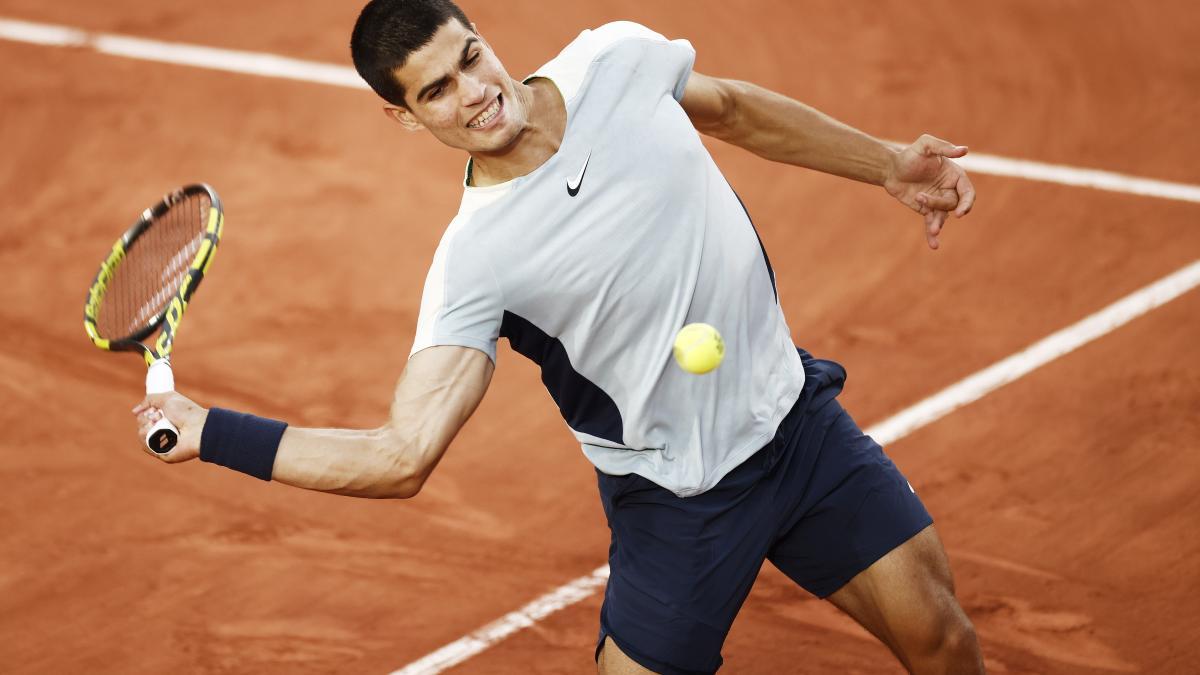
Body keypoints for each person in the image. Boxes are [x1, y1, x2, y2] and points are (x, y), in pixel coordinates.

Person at [133, 0, 983, 672]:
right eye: (435, 91)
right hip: (678, 500)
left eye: (469, 58)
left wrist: (884, 164)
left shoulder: (617, 59)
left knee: (945, 643)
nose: (473, 93)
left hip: (797, 427)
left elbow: (728, 109)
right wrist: (212, 432)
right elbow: (401, 456)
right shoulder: (476, 263)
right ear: (403, 117)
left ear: (482, 38)